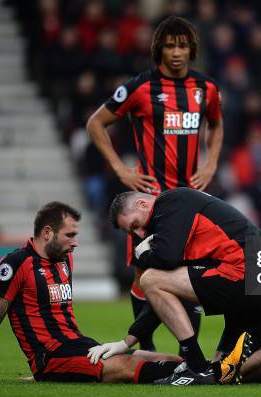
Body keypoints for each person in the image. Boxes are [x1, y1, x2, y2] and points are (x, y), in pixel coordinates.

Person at [87, 16, 223, 353]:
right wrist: (121, 169)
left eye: (182, 45)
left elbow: (217, 125)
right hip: (150, 204)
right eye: (169, 45)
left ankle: (187, 353)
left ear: (192, 48)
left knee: (188, 272)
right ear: (158, 48)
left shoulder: (206, 89)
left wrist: (211, 164)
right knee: (142, 273)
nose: (176, 52)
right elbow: (95, 124)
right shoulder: (140, 87)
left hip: (190, 202)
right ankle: (144, 347)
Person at [88, 188, 261, 385]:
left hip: (249, 278)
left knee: (150, 278)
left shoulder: (169, 203)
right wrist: (127, 341)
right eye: (131, 233)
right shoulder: (180, 216)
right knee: (221, 371)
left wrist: (145, 255)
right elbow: (163, 296)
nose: (138, 235)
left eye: (135, 226)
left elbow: (163, 264)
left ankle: (194, 364)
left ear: (143, 203)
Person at [0, 202, 184, 384]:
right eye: (69, 235)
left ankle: (200, 368)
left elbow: (62, 316)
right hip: (51, 356)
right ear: (47, 233)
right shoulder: (15, 265)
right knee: (126, 367)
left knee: (157, 358)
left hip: (79, 345)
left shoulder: (64, 260)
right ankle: (208, 374)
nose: (75, 243)